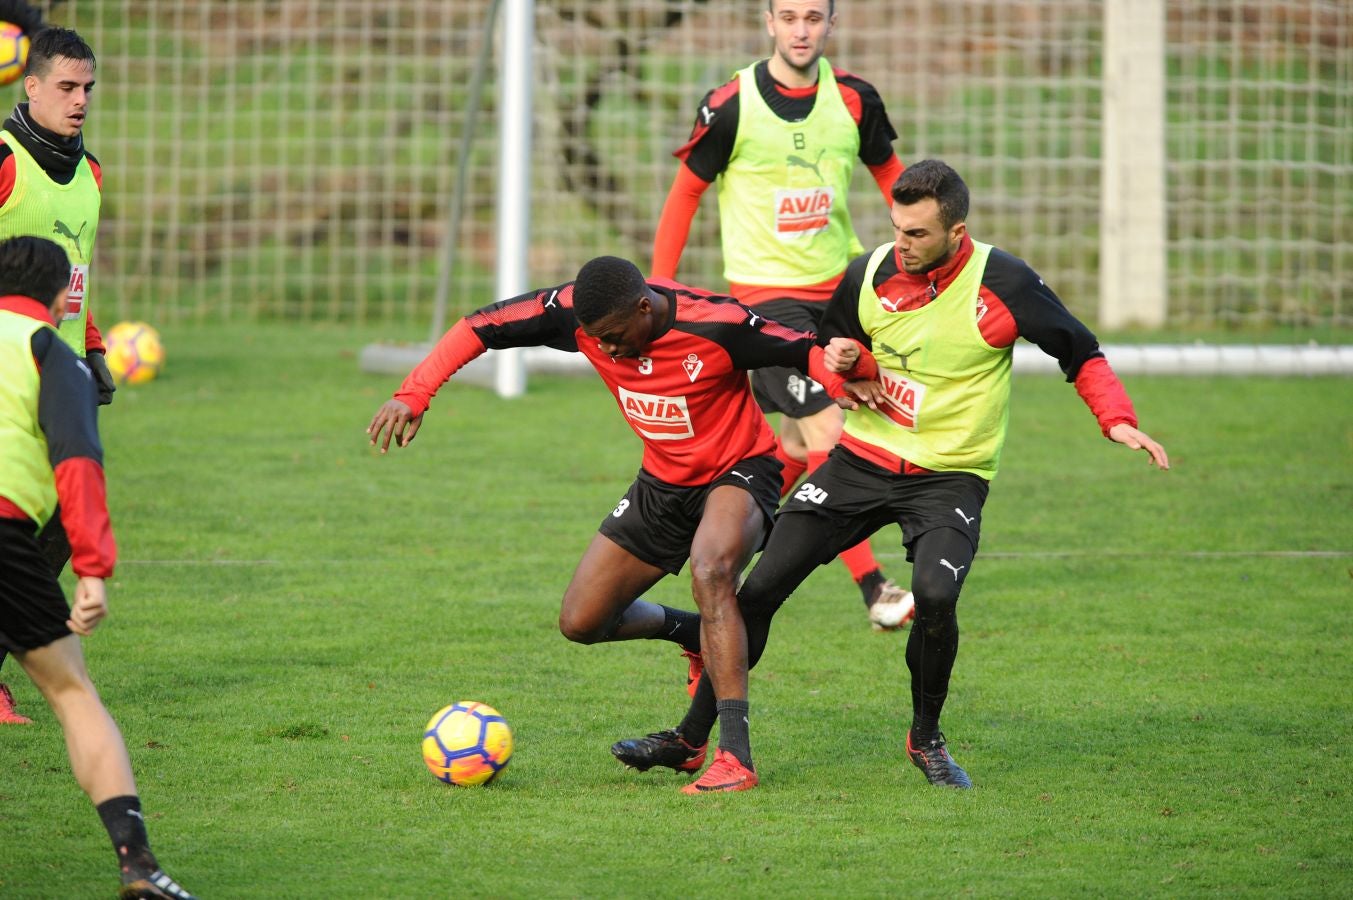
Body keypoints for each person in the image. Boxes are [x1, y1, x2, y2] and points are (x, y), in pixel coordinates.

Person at [615, 160, 1170, 791]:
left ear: (957, 233)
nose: (901, 245)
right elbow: (830, 348)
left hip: (949, 478)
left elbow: (1079, 348)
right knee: (758, 591)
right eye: (896, 228)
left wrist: (1115, 418)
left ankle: (926, 739)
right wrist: (848, 362)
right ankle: (691, 739)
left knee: (935, 597)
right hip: (859, 463)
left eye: (918, 235)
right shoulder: (869, 272)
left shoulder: (1006, 283)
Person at [368, 256, 868, 794]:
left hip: (740, 472)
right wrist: (414, 393)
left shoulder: (715, 323)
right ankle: (694, 634)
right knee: (582, 620)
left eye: (613, 335)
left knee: (712, 571)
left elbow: (804, 349)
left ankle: (734, 757)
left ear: (644, 307)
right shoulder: (569, 314)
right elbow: (479, 326)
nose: (604, 349)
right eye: (594, 338)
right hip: (660, 484)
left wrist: (843, 388)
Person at [651, 0, 914, 632]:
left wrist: (921, 242)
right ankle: (873, 587)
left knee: (793, 446)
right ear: (769, 22)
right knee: (829, 429)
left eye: (813, 17)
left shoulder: (855, 100)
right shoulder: (731, 103)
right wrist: (659, 286)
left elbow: (890, 175)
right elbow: (686, 191)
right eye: (789, 16)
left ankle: (730, 540)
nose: (801, 29)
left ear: (832, 22)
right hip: (765, 304)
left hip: (844, 292)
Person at [0, 235, 196, 899]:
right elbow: (77, 464)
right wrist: (91, 570)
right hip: (7, 542)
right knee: (71, 692)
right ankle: (137, 865)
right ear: (60, 298)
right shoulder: (50, 353)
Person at [0, 14, 117, 725]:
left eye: (88, 89)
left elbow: (79, 276)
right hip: (9, 374)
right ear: (32, 84)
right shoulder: (6, 159)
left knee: (61, 532)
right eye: (67, 87)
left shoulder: (92, 173)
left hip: (62, 370)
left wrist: (94, 347)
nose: (79, 100)